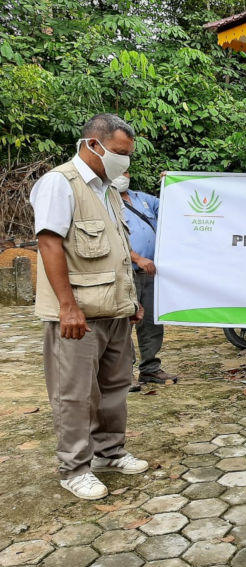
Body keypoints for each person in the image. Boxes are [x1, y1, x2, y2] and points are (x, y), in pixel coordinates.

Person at [30, 113, 149, 500]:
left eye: (128, 155)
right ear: (92, 144)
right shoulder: (59, 184)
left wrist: (130, 302)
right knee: (75, 394)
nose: (124, 162)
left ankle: (108, 453)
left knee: (115, 387)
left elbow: (116, 249)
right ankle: (74, 468)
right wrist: (67, 306)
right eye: (118, 153)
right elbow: (49, 245)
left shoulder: (109, 190)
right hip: (77, 316)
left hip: (114, 311)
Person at [112, 171, 178, 388]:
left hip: (150, 271)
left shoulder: (143, 199)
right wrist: (138, 258)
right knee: (125, 321)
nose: (122, 176)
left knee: (150, 321)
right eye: (117, 171)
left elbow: (172, 206)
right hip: (124, 271)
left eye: (125, 171)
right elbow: (112, 238)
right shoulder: (103, 201)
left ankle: (150, 369)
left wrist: (173, 183)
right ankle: (123, 373)